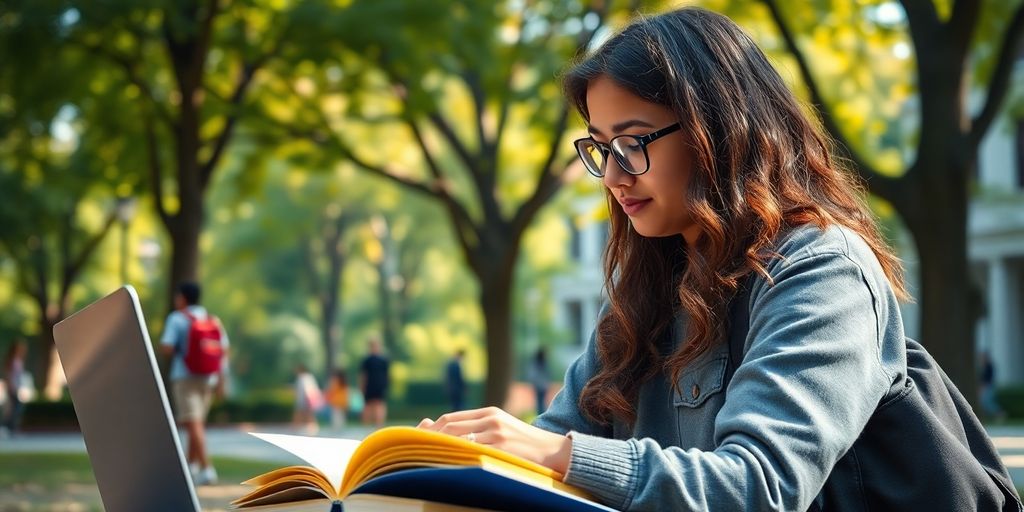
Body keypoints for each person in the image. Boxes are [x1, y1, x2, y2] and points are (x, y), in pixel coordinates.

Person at [418, 7, 925, 510]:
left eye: (632, 142)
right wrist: (447, 462)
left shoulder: (820, 269)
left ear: (719, 131)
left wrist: (556, 454)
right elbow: (553, 446)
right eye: (600, 148)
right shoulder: (643, 291)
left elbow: (759, 487)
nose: (613, 177)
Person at [160, 282, 228, 486]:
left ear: (182, 298)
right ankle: (191, 468)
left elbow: (167, 347)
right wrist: (221, 380)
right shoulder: (212, 320)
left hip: (185, 377)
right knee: (195, 424)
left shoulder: (177, 318)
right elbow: (223, 350)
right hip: (208, 378)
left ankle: (207, 469)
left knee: (193, 423)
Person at [359, 337, 390, 428]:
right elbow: (364, 375)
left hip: (376, 386)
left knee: (377, 405)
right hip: (373, 386)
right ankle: (372, 425)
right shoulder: (368, 360)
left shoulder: (381, 360)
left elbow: (363, 376)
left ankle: (377, 425)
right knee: (372, 405)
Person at [2, 339, 28, 437]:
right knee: (14, 408)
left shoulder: (19, 360)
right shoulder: (12, 360)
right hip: (11, 387)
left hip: (17, 387)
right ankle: (8, 427)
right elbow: (8, 374)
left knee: (16, 408)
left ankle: (12, 428)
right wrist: (10, 386)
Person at [293, 363, 324, 433]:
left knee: (303, 414)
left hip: (305, 400)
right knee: (307, 414)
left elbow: (306, 389)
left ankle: (297, 428)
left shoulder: (303, 377)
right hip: (306, 399)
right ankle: (311, 428)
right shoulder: (308, 377)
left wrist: (308, 398)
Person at [979, 351, 1007, 422]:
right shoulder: (984, 366)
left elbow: (987, 378)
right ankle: (992, 415)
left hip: (989, 386)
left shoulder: (988, 366)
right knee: (985, 402)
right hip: (987, 386)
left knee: (987, 401)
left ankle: (1000, 413)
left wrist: (983, 387)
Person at [526, 348, 549, 415]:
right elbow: (547, 374)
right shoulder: (543, 363)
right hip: (543, 385)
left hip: (538, 385)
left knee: (539, 402)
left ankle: (540, 414)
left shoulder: (535, 364)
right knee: (542, 402)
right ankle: (542, 414)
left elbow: (532, 375)